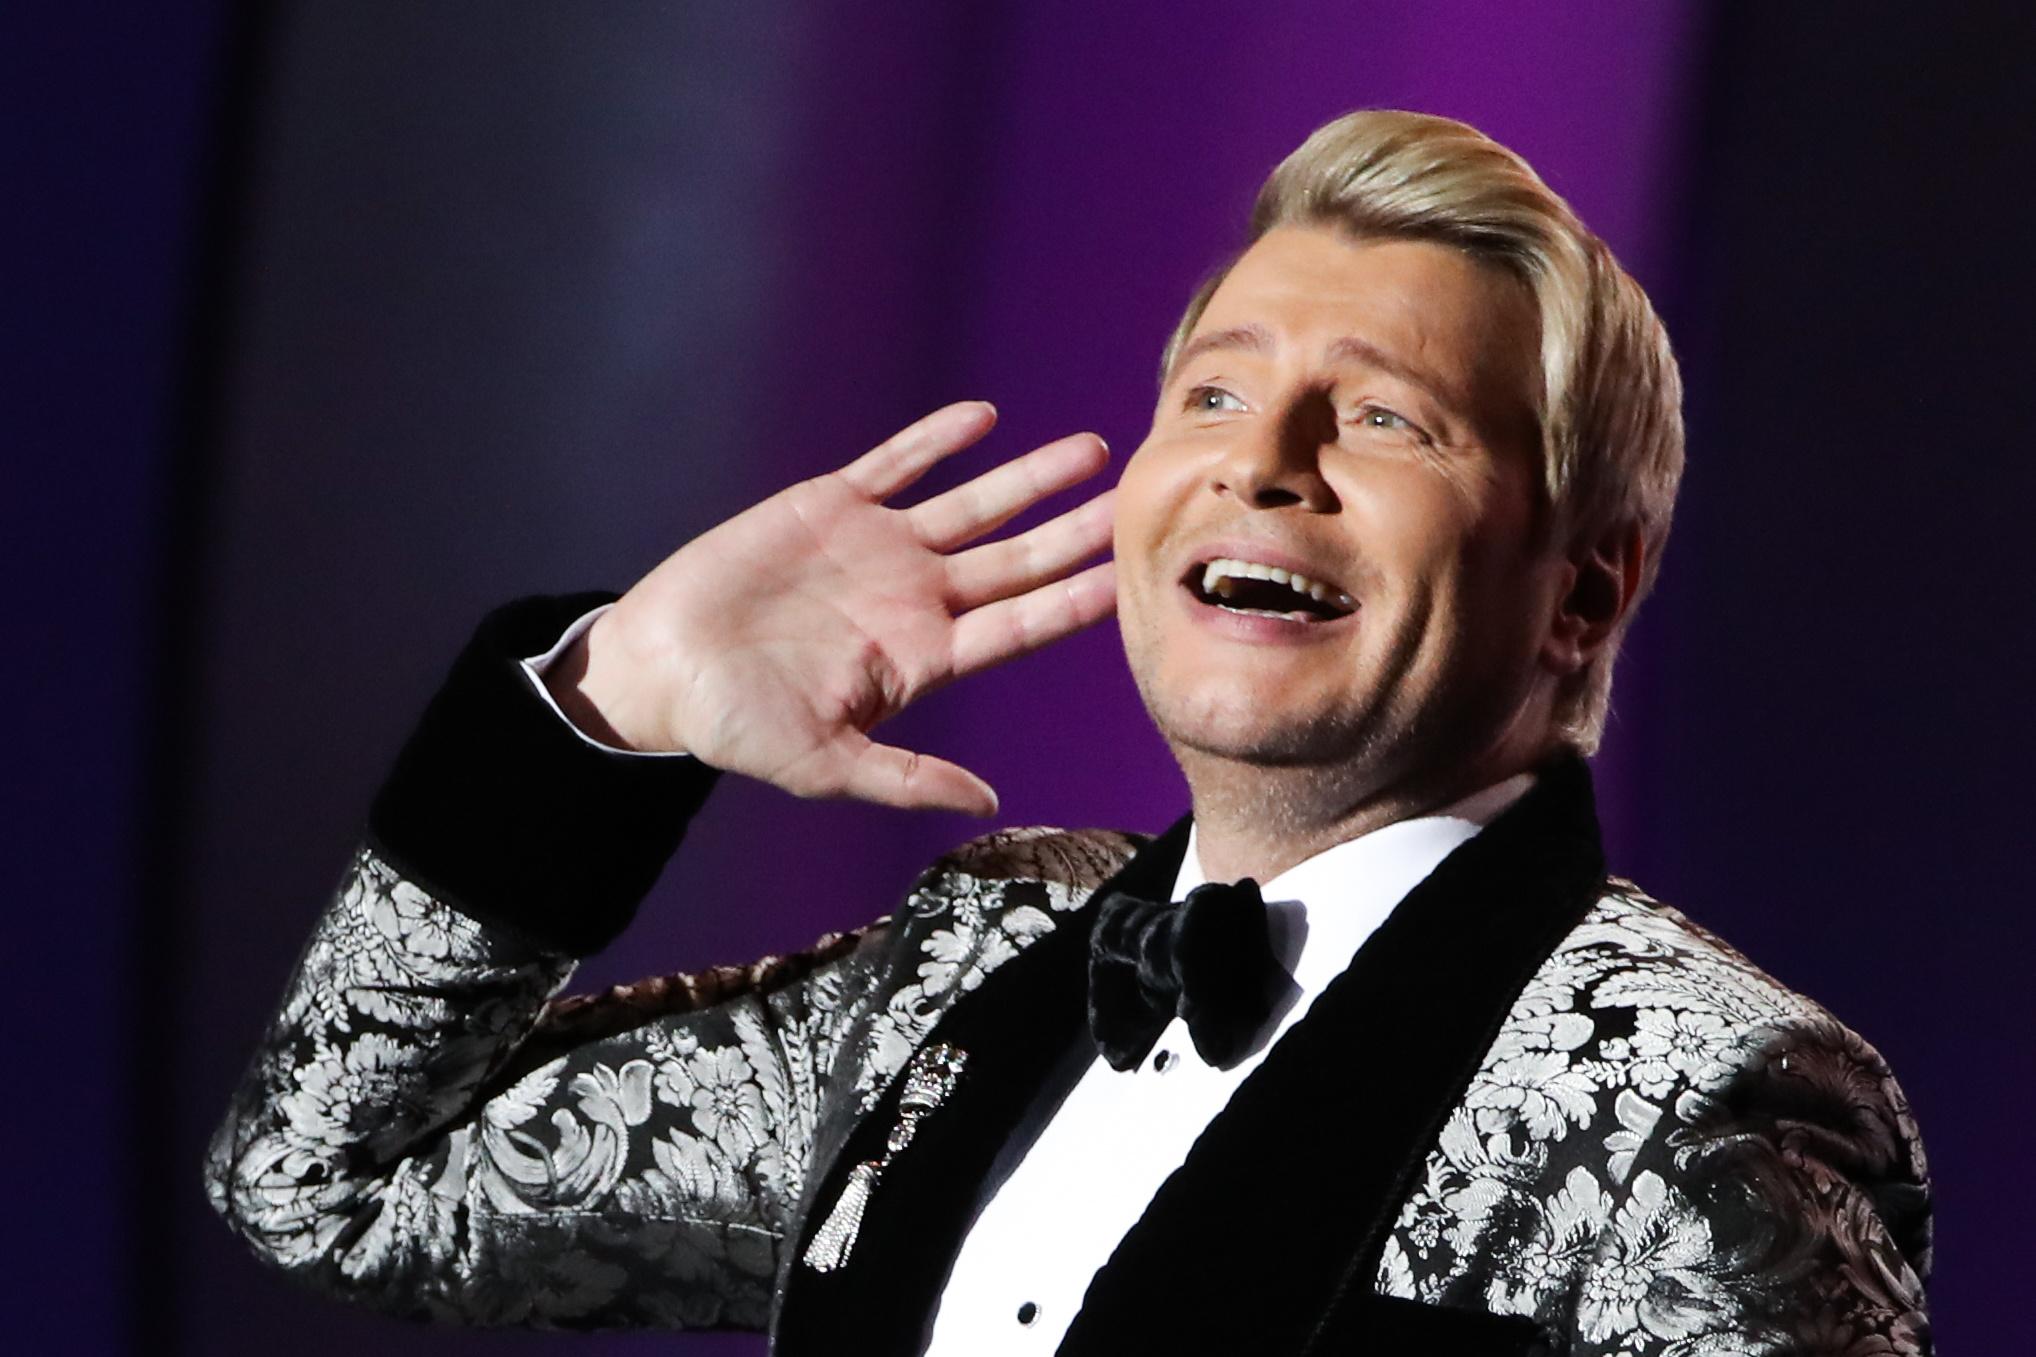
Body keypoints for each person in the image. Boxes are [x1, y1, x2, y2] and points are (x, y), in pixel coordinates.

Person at [205, 110, 1932, 1355]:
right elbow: (333, 1179)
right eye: (1216, 392)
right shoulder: (976, 953)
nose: (1262, 460)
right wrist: (612, 702)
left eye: (1386, 417)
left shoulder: (1701, 1092)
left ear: (1583, 591)